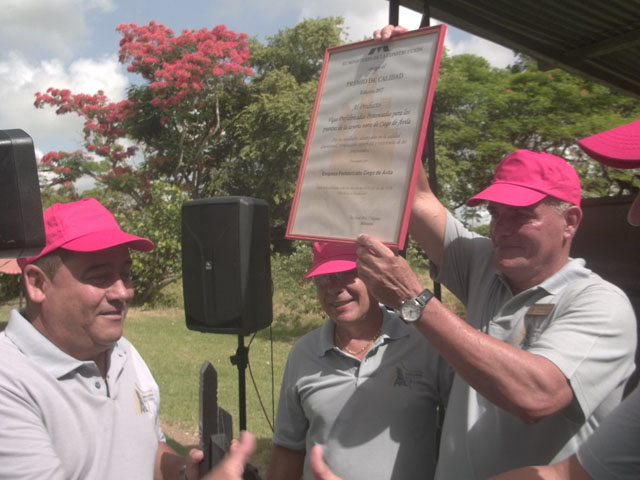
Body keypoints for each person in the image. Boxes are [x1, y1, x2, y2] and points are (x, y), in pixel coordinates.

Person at [0, 198, 255, 480]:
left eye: (126, 274)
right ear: (37, 284)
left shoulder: (122, 352)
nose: (123, 292)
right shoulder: (8, 381)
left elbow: (147, 450)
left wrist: (185, 471)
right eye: (100, 277)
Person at [489, 119, 640, 479]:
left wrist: (417, 305)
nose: (633, 214)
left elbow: (537, 397)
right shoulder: (487, 267)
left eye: (522, 215)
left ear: (570, 222)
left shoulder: (600, 302)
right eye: (495, 213)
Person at [267, 242, 452, 480]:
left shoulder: (424, 343)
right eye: (323, 278)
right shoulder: (303, 353)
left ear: (375, 276)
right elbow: (287, 449)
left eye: (346, 274)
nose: (334, 288)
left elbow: (469, 429)